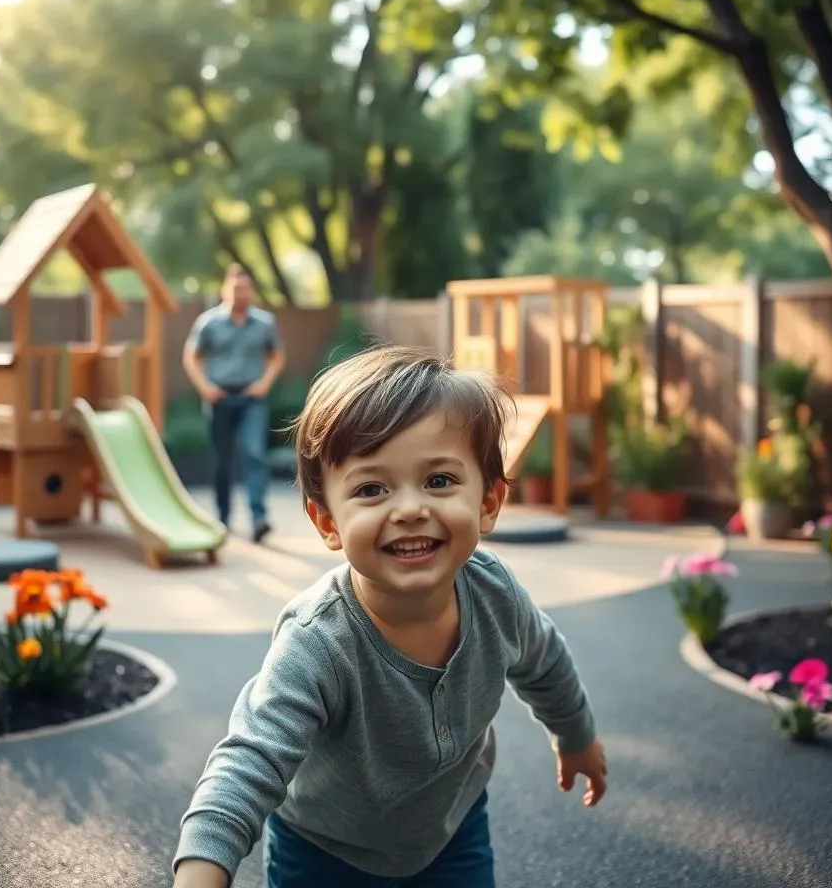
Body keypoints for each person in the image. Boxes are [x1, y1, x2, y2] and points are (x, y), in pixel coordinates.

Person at [171, 345, 607, 888]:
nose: (409, 509)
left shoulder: (493, 594)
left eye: (440, 481)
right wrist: (202, 869)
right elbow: (250, 760)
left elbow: (544, 661)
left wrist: (576, 735)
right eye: (372, 489)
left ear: (489, 502)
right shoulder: (318, 642)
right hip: (326, 850)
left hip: (451, 831)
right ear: (327, 521)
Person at [182, 263, 286, 542]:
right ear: (225, 290)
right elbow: (191, 356)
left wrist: (264, 383)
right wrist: (205, 387)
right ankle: (223, 518)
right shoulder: (209, 322)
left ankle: (259, 518)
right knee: (222, 460)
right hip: (219, 397)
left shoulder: (265, 322)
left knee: (254, 453)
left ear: (251, 291)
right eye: (236, 288)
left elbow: (277, 356)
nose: (241, 293)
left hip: (252, 398)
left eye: (246, 288)